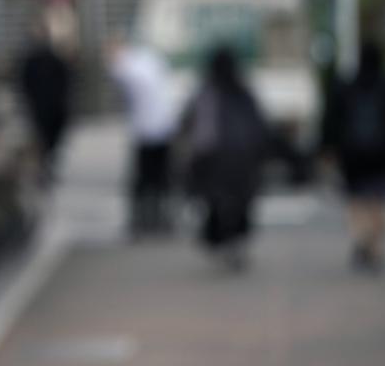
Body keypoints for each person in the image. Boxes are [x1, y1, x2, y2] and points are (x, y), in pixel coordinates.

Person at [319, 42, 385, 272]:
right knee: (379, 201)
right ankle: (376, 246)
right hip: (383, 153)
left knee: (357, 200)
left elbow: (332, 120)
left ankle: (361, 240)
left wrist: (328, 149)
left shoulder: (347, 85)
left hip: (352, 155)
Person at [181, 47, 270, 269]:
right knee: (241, 204)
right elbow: (260, 126)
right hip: (244, 159)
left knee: (218, 202)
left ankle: (224, 241)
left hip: (214, 160)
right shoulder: (244, 91)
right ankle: (235, 244)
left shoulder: (206, 92)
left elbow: (190, 126)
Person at [108, 40, 178, 235]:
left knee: (145, 177)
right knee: (161, 175)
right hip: (163, 126)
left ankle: (145, 217)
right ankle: (161, 215)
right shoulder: (148, 60)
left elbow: (118, 77)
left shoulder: (127, 68)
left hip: (146, 131)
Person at [19, 26, 72, 185]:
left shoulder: (56, 60)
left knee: (50, 140)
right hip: (39, 107)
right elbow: (25, 83)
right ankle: (43, 169)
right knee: (42, 140)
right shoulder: (30, 62)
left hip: (54, 107)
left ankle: (46, 165)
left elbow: (65, 81)